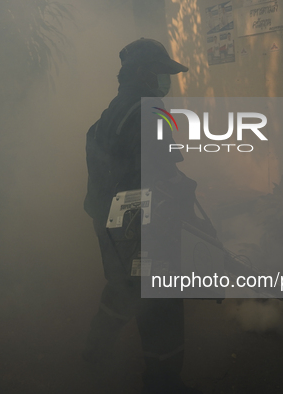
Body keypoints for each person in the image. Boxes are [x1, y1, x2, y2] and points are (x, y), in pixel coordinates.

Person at [82, 38, 201, 394]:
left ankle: (95, 350)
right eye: (161, 74)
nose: (165, 82)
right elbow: (167, 176)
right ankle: (163, 381)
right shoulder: (151, 111)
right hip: (139, 223)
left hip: (108, 219)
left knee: (124, 286)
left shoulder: (110, 113)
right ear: (141, 74)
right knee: (160, 300)